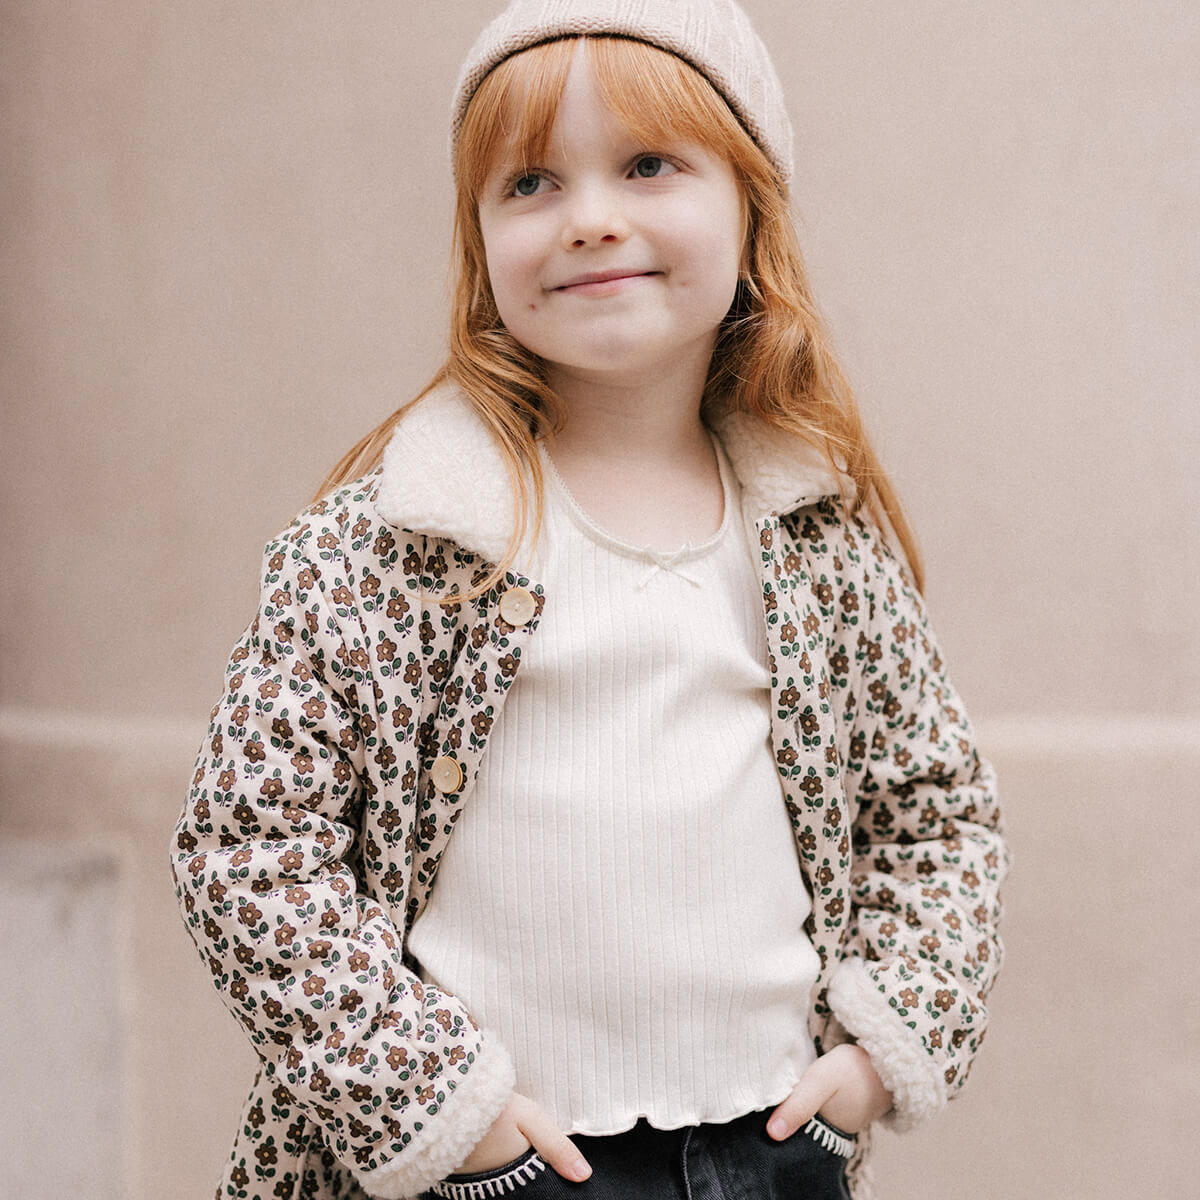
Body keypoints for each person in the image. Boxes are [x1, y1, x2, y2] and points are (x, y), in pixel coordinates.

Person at [171, 2, 1008, 1198]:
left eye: (649, 164)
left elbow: (937, 815)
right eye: (531, 183)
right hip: (490, 1163)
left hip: (767, 1148)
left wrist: (880, 1053)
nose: (590, 217)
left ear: (752, 204)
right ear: (480, 240)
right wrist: (436, 1105)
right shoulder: (391, 547)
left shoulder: (818, 540)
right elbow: (248, 847)